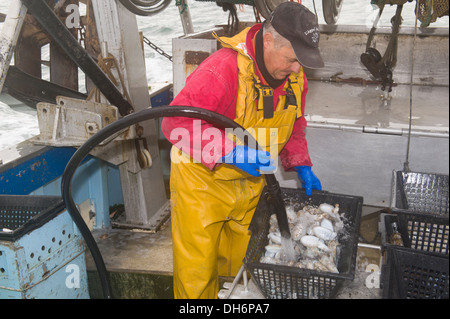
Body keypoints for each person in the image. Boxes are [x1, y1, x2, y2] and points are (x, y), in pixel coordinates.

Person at [161, 1, 323, 299]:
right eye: (291, 59)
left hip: (249, 186)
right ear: (269, 40)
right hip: (202, 185)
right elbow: (175, 123)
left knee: (244, 272)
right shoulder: (223, 68)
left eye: (300, 61)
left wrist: (300, 162)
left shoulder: (294, 74)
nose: (297, 69)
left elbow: (294, 122)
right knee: (197, 273)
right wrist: (231, 153)